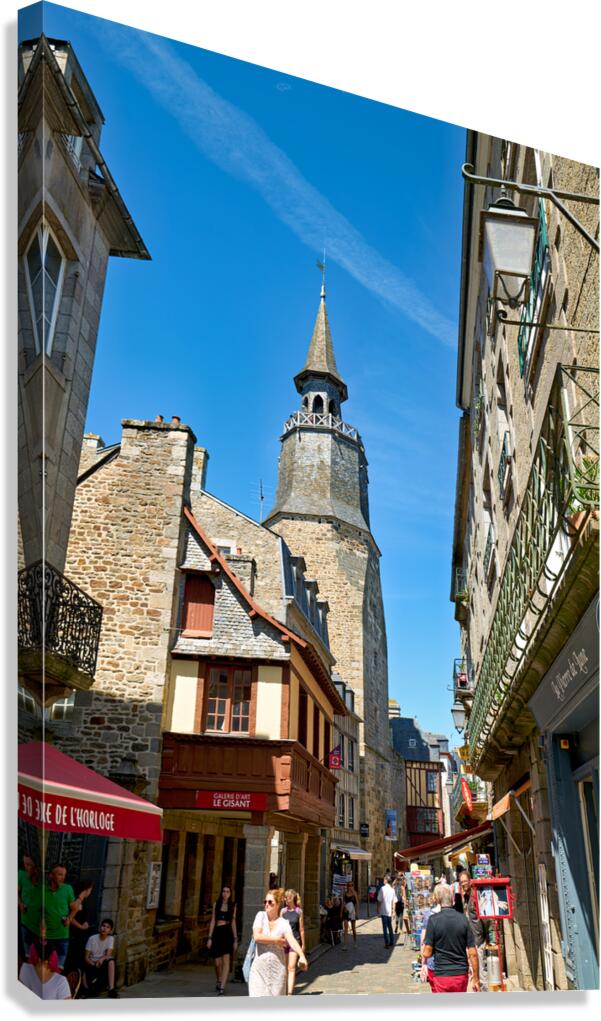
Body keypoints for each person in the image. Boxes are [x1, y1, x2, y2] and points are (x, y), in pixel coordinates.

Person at [248, 888, 307, 996]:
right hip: (259, 971)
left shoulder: (283, 923)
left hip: (277, 972)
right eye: (265, 902)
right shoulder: (260, 916)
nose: (267, 904)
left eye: (270, 902)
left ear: (277, 904)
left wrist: (302, 955)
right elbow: (257, 937)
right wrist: (276, 940)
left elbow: (292, 940)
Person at [422, 884, 479, 993]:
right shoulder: (463, 919)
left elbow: (427, 953)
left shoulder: (433, 920)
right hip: (460, 974)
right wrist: (476, 978)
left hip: (442, 975)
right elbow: (473, 953)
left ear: (439, 900)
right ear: (452, 900)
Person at [458, 870, 489, 992]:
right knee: (474, 970)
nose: (464, 884)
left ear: (470, 881)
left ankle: (485, 994)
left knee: (481, 970)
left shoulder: (476, 896)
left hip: (478, 939)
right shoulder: (465, 897)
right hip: (470, 940)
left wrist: (483, 935)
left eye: (465, 881)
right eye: (461, 882)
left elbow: (485, 919)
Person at [207, 884, 238, 995]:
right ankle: (219, 978)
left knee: (226, 961)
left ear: (230, 894)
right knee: (217, 962)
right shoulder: (217, 904)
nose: (225, 893)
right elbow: (213, 921)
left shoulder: (233, 906)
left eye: (227, 892)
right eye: (223, 891)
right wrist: (210, 937)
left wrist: (235, 939)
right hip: (217, 933)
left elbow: (233, 922)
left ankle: (222, 987)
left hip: (227, 933)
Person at [64, 880, 94, 974]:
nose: (90, 892)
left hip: (78, 935)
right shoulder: (77, 900)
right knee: (71, 959)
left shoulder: (83, 901)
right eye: (90, 890)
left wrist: (84, 923)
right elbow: (70, 917)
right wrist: (80, 926)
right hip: (74, 935)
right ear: (87, 889)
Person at [82, 918, 118, 998]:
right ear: (100, 927)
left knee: (111, 962)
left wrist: (101, 959)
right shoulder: (92, 938)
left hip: (102, 962)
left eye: (107, 927)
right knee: (83, 966)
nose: (104, 928)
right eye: (103, 926)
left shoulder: (110, 939)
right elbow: (86, 958)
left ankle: (111, 989)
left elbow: (108, 955)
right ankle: (86, 989)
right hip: (92, 962)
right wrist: (94, 964)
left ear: (110, 930)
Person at [280, 889, 305, 994]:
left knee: (291, 967)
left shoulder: (299, 912)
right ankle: (284, 990)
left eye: (288, 897)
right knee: (284, 968)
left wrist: (303, 944)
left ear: (293, 898)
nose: (286, 899)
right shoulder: (283, 911)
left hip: (295, 941)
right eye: (285, 897)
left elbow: (301, 929)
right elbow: (280, 927)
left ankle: (289, 993)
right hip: (284, 942)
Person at [18, 855, 41, 959]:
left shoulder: (41, 877)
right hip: (25, 919)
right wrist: (20, 903)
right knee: (28, 953)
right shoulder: (21, 874)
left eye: (29, 864)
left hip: (39, 922)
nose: (26, 866)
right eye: (24, 863)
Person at [376, 873, 396, 948]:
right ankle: (391, 941)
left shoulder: (382, 889)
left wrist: (377, 908)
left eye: (384, 879)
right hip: (389, 911)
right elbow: (394, 902)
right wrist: (394, 911)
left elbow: (379, 900)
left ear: (386, 880)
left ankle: (386, 943)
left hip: (384, 910)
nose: (383, 880)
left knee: (385, 927)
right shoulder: (392, 890)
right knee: (389, 926)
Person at [343, 882, 359, 946]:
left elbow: (357, 904)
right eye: (349, 885)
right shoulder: (345, 894)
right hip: (346, 912)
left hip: (352, 912)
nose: (350, 886)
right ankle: (345, 945)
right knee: (346, 928)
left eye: (352, 885)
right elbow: (344, 902)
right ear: (347, 886)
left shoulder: (355, 893)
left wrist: (357, 913)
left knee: (353, 928)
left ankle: (355, 942)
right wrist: (343, 910)